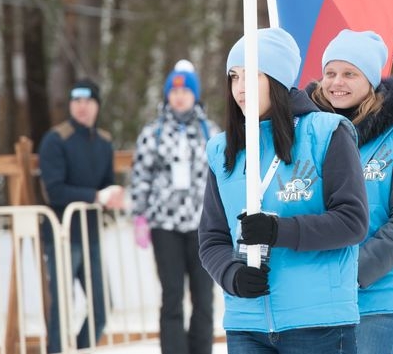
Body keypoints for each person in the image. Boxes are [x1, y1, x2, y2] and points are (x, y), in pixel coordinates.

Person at [197, 27, 369, 354]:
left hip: (317, 322)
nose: (240, 87)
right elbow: (212, 238)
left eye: (252, 75)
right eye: (234, 76)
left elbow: (352, 221)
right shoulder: (222, 150)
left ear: (276, 80)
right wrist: (231, 275)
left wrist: (279, 231)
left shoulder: (326, 132)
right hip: (246, 325)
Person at [307, 29, 393, 354]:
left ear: (372, 81)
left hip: (378, 293)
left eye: (350, 73)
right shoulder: (306, 131)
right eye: (330, 73)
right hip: (317, 292)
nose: (337, 82)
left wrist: (352, 271)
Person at [129, 60, 217, 354]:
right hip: (164, 225)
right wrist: (139, 216)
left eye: (185, 90)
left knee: (203, 298)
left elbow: (221, 177)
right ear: (167, 95)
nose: (179, 96)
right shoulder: (152, 133)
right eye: (174, 91)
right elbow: (141, 176)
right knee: (172, 296)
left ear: (195, 94)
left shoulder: (211, 132)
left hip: (202, 226)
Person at [38, 78, 125, 353]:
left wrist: (111, 197)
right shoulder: (56, 139)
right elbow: (54, 191)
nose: (82, 107)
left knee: (102, 307)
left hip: (92, 237)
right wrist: (95, 197)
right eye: (76, 101)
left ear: (97, 105)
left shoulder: (104, 142)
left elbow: (106, 184)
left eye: (87, 101)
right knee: (62, 310)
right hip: (62, 235)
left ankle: (78, 349)